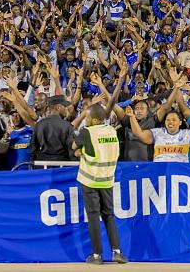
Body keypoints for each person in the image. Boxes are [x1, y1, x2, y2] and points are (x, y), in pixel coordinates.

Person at [73, 104, 127, 265]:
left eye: (87, 117)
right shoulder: (112, 131)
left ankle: (97, 255)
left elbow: (74, 146)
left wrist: (80, 151)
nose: (86, 120)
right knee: (109, 216)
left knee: (93, 217)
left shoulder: (88, 132)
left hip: (90, 180)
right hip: (107, 179)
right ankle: (117, 252)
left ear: (95, 120)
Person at [30, 95, 74, 162]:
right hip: (62, 165)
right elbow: (71, 149)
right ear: (58, 107)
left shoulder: (39, 124)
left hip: (42, 165)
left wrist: (34, 162)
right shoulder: (67, 125)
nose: (66, 109)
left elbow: (33, 147)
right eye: (65, 106)